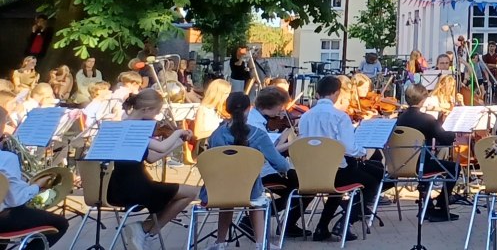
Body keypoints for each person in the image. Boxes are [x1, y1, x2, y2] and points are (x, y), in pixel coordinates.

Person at [299, 76, 385, 242]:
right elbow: (349, 148)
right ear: (337, 93)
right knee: (373, 179)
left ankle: (322, 228)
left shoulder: (305, 116)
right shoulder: (339, 116)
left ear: (317, 93)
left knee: (340, 186)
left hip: (310, 172)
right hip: (335, 172)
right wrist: (362, 152)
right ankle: (345, 221)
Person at [205, 91, 294, 249]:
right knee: (257, 196)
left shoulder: (216, 135)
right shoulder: (258, 135)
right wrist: (286, 167)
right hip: (249, 190)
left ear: (228, 109)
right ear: (248, 109)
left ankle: (220, 242)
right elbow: (280, 164)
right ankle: (260, 243)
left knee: (228, 199)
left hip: (216, 191)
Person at [114, 90, 201, 250]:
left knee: (182, 192)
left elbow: (152, 157)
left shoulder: (121, 124)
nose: (157, 117)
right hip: (134, 187)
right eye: (157, 112)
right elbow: (161, 147)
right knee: (192, 192)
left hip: (118, 186)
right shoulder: (132, 128)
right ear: (146, 110)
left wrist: (178, 143)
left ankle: (144, 231)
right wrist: (178, 132)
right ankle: (147, 230)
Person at [0, 108, 66, 248]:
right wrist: (37, 186)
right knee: (61, 224)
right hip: (2, 219)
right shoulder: (7, 158)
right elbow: (15, 200)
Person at [393, 85, 459, 222]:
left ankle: (428, 206)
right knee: (455, 168)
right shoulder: (426, 119)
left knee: (430, 163)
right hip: (422, 165)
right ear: (423, 100)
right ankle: (441, 205)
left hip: (400, 164)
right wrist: (454, 132)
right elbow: (445, 139)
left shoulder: (399, 118)